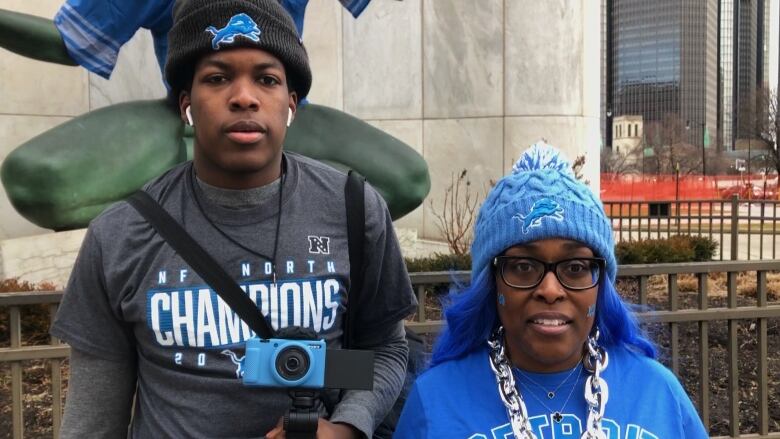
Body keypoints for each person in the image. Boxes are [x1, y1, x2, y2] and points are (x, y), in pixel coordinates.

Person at [50, 1, 416, 437]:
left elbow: (385, 348)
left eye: (267, 79)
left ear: (291, 104)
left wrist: (348, 426)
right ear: (187, 104)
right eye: (218, 78)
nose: (244, 97)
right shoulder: (120, 234)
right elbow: (94, 420)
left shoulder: (354, 208)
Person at [0, 0, 430, 231]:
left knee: (406, 178)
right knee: (35, 179)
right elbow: (65, 41)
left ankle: (277, 216)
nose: (242, 96)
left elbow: (381, 359)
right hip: (186, 128)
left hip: (285, 128)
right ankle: (183, 213)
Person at [394, 142, 709, 438]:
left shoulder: (658, 393)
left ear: (601, 285)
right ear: (492, 284)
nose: (549, 290)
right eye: (523, 266)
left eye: (575, 268)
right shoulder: (434, 401)